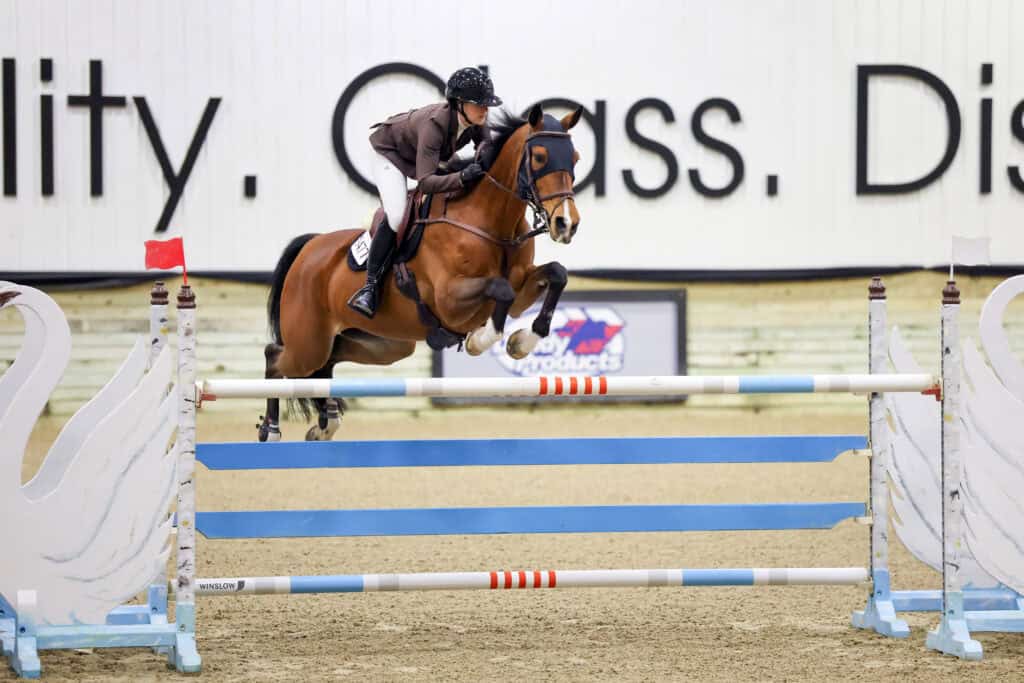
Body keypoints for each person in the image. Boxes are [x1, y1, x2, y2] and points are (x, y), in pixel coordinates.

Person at [347, 67, 503, 319]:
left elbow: (485, 149)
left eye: (487, 104)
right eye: (479, 104)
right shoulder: (434, 125)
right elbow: (427, 182)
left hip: (424, 159)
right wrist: (462, 176)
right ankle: (370, 287)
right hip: (391, 156)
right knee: (397, 216)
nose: (485, 110)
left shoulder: (477, 120)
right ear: (458, 104)